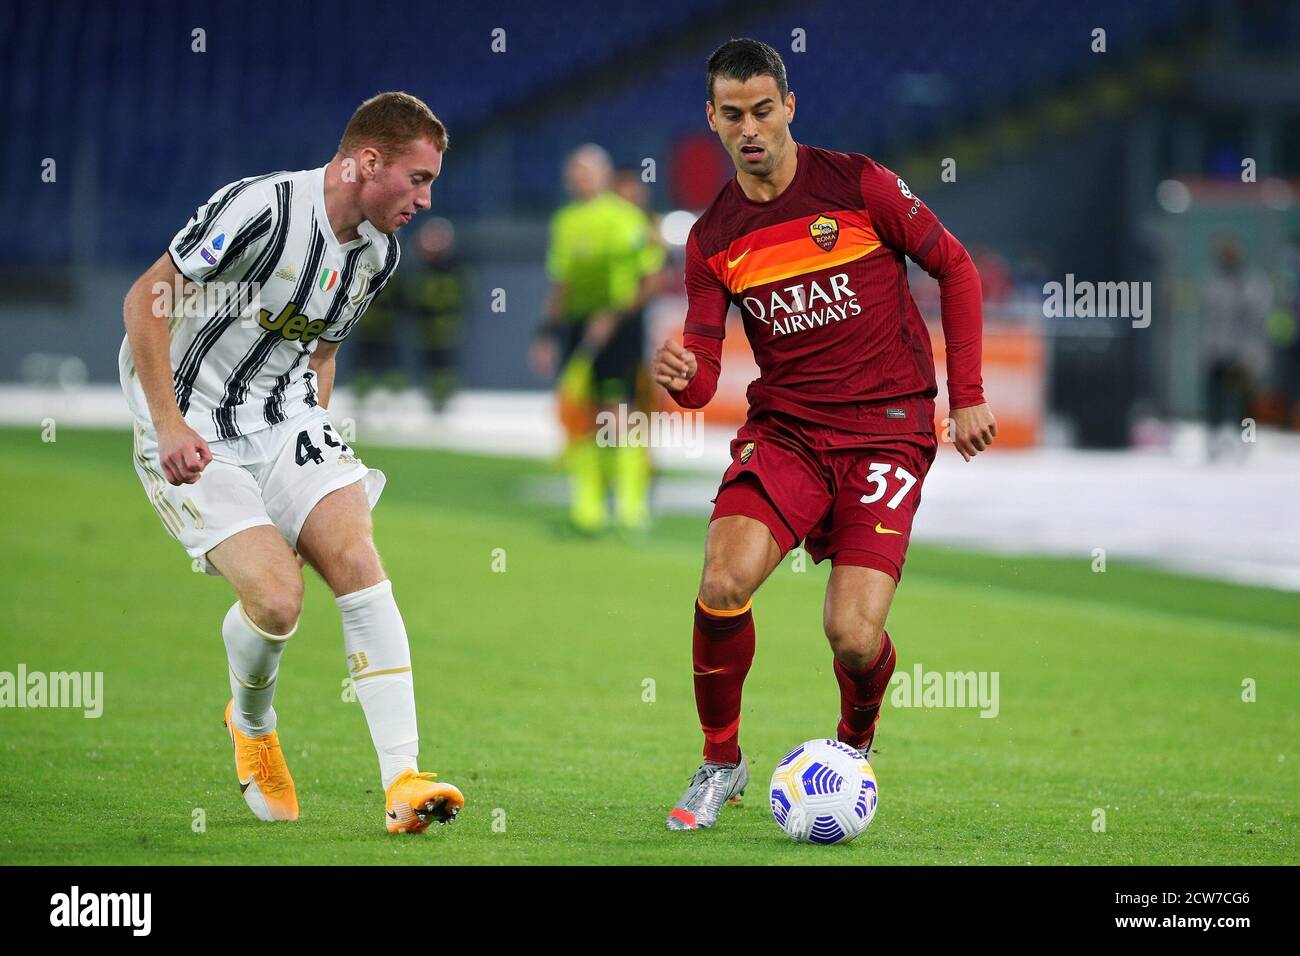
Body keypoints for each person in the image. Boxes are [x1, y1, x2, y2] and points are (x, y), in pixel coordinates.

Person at [652, 39, 996, 830]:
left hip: (888, 431)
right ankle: (720, 762)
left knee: (849, 634)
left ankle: (853, 744)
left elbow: (957, 268)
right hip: (788, 433)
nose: (750, 128)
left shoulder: (858, 183)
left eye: (763, 110)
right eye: (732, 114)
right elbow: (704, 376)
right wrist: (681, 380)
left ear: (789, 108)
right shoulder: (712, 240)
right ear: (711, 118)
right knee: (722, 580)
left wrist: (968, 395)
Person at [119, 91, 464, 833]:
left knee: (356, 556)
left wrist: (309, 477)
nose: (426, 200)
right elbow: (147, 298)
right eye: (418, 179)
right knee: (277, 603)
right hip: (191, 421)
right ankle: (251, 723)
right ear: (367, 161)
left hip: (284, 417)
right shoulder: (263, 209)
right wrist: (167, 421)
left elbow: (324, 350)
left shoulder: (378, 252)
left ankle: (403, 779)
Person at [531, 145, 660, 534]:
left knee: (618, 412)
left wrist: (614, 315)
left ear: (602, 176)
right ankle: (588, 509)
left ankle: (630, 507)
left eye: (585, 171)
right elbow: (561, 283)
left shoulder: (626, 219)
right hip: (577, 324)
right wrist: (547, 333)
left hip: (621, 326)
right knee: (584, 416)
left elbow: (651, 279)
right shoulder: (565, 222)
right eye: (573, 172)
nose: (577, 179)